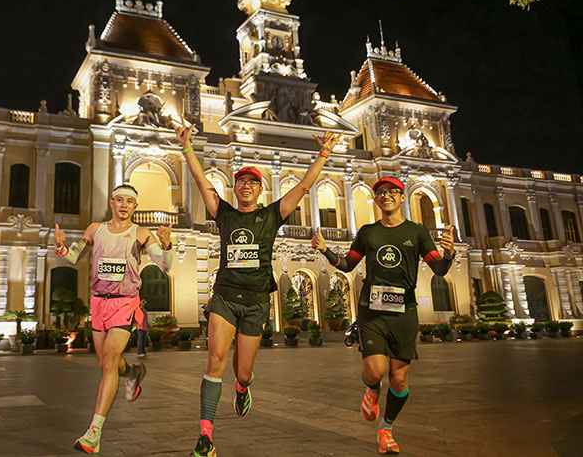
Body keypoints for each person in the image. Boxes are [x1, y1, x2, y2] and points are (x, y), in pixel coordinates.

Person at [176, 122, 342, 457]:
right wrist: (187, 147)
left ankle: (242, 387)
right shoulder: (222, 213)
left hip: (255, 302)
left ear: (260, 189)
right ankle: (205, 436)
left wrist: (324, 152)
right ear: (235, 188)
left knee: (243, 369)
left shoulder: (271, 215)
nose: (247, 185)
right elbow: (201, 182)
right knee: (214, 362)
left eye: (253, 182)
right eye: (242, 181)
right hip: (224, 296)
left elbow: (305, 187)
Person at [311, 176, 455, 455]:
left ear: (402, 197)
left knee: (400, 379)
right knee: (376, 370)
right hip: (372, 309)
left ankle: (386, 428)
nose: (385, 195)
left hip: (404, 311)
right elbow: (349, 264)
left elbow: (437, 268)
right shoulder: (367, 232)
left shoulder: (417, 232)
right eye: (380, 193)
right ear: (375, 200)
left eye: (392, 192)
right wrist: (326, 250)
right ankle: (372, 389)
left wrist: (448, 256)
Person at [54, 184, 173, 454]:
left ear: (135, 207)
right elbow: (74, 257)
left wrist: (166, 243)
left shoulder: (141, 234)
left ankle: (94, 432)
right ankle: (132, 373)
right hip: (98, 303)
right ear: (112, 202)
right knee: (106, 362)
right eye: (119, 199)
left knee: (108, 361)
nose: (124, 204)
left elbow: (165, 265)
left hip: (124, 304)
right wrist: (60, 246)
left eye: (129, 201)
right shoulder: (95, 229)